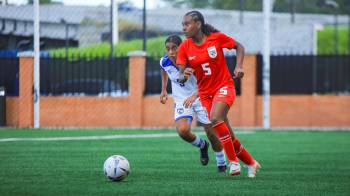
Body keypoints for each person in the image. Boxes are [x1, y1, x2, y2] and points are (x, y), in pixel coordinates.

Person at [176, 10, 261, 177]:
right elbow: (180, 75)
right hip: (206, 94)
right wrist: (183, 76)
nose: (184, 28)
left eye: (187, 24)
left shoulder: (216, 38)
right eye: (183, 25)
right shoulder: (184, 47)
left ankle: (233, 162)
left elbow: (239, 46)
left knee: (215, 119)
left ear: (198, 24)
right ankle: (252, 163)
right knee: (227, 134)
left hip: (224, 86)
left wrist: (239, 66)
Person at [160, 35, 227, 172]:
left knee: (211, 133)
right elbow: (164, 71)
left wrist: (195, 95)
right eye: (168, 49)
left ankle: (221, 163)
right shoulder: (165, 61)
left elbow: (209, 82)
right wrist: (164, 89)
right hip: (181, 100)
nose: (171, 52)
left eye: (174, 48)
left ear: (181, 47)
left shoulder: (194, 61)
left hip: (202, 96)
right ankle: (202, 145)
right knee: (183, 131)